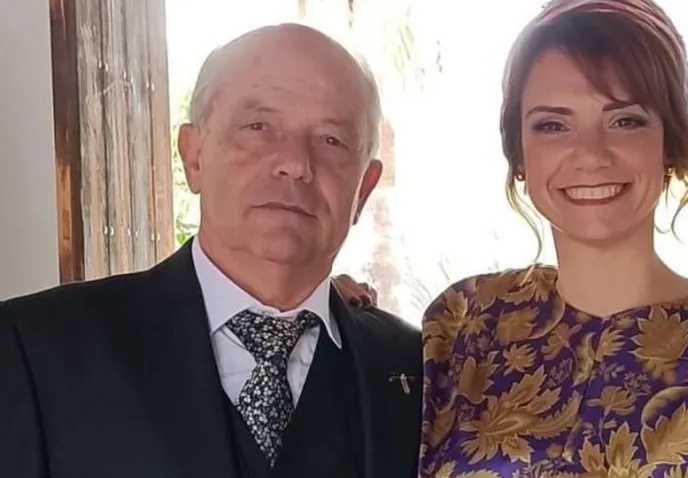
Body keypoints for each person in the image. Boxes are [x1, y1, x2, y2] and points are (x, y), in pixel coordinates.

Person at [334, 0, 688, 476]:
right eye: (552, 126)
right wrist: (327, 308)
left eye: (625, 120)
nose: (591, 154)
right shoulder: (468, 325)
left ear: (671, 145)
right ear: (519, 156)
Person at [0, 24, 421, 478]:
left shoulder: (422, 371)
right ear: (194, 156)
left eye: (331, 140)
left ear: (364, 188)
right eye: (258, 127)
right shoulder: (35, 350)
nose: (295, 164)